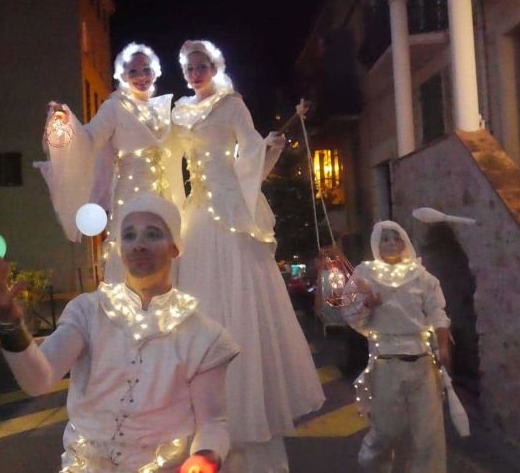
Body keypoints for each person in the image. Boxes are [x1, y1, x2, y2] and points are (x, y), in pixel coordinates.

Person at [0, 194, 239, 472]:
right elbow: (38, 380)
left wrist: (205, 457)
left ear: (174, 248)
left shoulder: (203, 335)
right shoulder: (87, 312)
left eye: (153, 234)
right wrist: (8, 323)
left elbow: (213, 423)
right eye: (129, 235)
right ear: (119, 248)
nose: (139, 245)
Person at [171, 40, 325, 472]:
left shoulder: (232, 104)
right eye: (189, 67)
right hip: (196, 214)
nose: (195, 72)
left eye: (202, 65)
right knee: (197, 300)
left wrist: (267, 148)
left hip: (230, 212)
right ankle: (199, 415)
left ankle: (244, 409)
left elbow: (249, 149)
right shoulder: (179, 111)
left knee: (239, 303)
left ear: (215, 67)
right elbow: (168, 158)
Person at [36, 43, 185, 282]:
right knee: (132, 245)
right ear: (122, 75)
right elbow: (90, 138)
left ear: (155, 71)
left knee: (163, 246)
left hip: (162, 194)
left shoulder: (163, 109)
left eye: (146, 69)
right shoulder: (115, 107)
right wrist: (67, 124)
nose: (141, 76)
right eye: (133, 71)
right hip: (131, 191)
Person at [342, 221, 451, 472]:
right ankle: (374, 466)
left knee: (428, 434)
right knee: (386, 430)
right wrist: (367, 304)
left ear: (404, 242)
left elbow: (437, 312)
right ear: (376, 243)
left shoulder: (420, 276)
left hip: (422, 360)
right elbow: (351, 316)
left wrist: (442, 346)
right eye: (385, 239)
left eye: (396, 238)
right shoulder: (364, 275)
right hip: (386, 361)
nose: (391, 243)